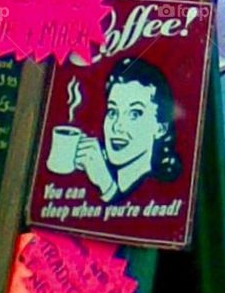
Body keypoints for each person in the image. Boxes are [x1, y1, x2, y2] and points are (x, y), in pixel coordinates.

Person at [75, 58, 183, 201]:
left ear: (160, 128)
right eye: (113, 112)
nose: (117, 126)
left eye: (134, 114)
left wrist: (106, 186)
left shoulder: (163, 193)